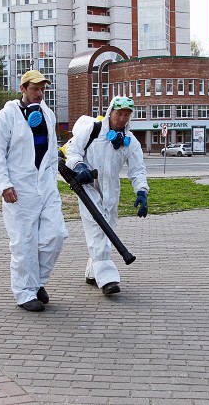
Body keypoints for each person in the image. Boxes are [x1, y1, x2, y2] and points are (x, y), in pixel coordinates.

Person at [0, 70, 68, 312]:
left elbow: (52, 152)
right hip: (19, 189)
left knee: (56, 235)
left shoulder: (48, 114)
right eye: (35, 89)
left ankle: (37, 282)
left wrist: (54, 179)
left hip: (46, 187)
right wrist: (3, 185)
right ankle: (24, 292)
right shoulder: (6, 117)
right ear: (22, 89)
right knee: (24, 243)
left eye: (43, 89)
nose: (40, 93)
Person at [65, 96, 149, 296]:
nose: (122, 118)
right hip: (88, 186)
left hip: (112, 190)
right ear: (110, 112)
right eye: (119, 113)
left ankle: (92, 273)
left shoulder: (130, 142)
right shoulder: (93, 131)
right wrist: (79, 165)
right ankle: (108, 279)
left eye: (126, 115)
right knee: (98, 228)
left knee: (107, 229)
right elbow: (72, 150)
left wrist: (141, 191)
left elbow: (137, 169)